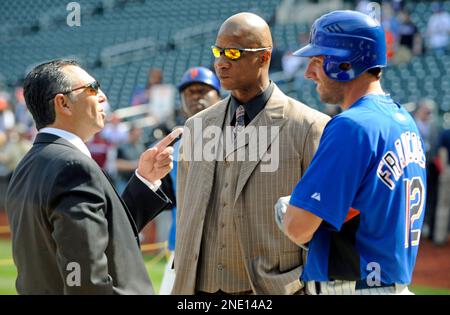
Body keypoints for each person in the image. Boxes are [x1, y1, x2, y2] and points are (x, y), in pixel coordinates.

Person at [172, 12, 329, 295]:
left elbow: (322, 225)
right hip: (199, 287)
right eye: (218, 51)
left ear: (264, 57)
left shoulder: (309, 126)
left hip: (271, 289)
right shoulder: (196, 126)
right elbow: (186, 212)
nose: (221, 62)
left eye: (233, 52)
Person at [277, 10, 427, 295]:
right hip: (389, 283)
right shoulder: (403, 120)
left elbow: (298, 228)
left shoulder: (351, 125)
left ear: (345, 62)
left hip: (354, 285)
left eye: (318, 61)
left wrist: (288, 209)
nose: (309, 73)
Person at [5, 59, 182, 294]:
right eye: (93, 88)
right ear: (63, 103)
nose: (103, 96)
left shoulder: (29, 164)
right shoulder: (73, 166)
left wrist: (145, 180)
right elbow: (86, 280)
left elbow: (103, 236)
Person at [159, 66, 221, 295]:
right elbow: (169, 199)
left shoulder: (240, 139)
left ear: (219, 95)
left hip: (223, 249)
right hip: (182, 248)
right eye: (189, 92)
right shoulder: (173, 146)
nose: (196, 96)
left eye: (203, 91)